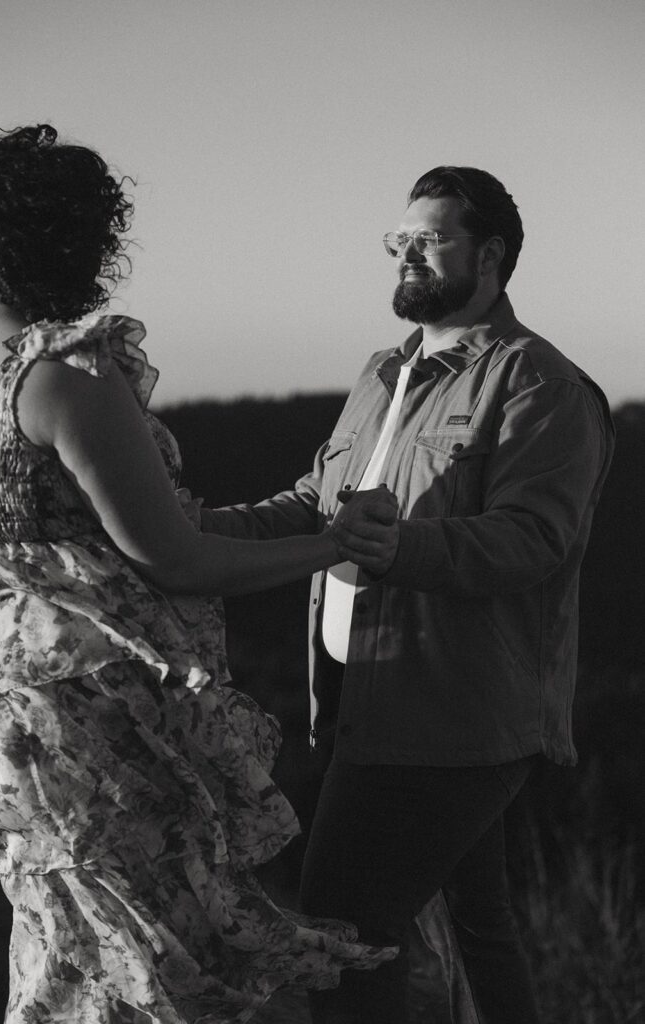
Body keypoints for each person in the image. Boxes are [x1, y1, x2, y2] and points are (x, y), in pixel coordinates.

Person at [0, 124, 399, 1024]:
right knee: (154, 960)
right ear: (82, 238)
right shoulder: (60, 374)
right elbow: (173, 558)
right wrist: (336, 542)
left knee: (69, 943)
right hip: (100, 708)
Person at [199, 166, 615, 1023]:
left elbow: (532, 540)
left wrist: (400, 548)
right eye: (400, 241)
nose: (406, 255)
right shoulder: (382, 374)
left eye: (429, 239)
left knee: (341, 933)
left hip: (452, 716)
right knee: (479, 922)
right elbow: (310, 506)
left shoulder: (538, 384)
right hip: (363, 698)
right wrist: (183, 528)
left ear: (490, 254)